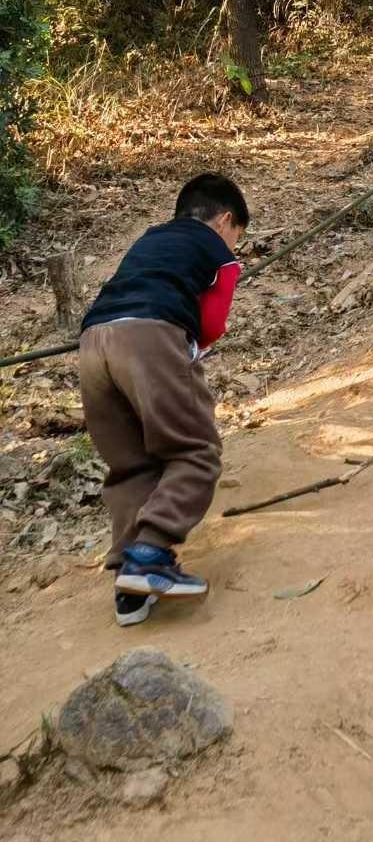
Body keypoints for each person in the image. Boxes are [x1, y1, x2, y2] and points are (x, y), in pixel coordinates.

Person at [78, 173, 248, 626]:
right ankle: (151, 554)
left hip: (94, 344)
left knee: (132, 462)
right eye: (238, 236)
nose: (236, 245)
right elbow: (211, 324)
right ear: (226, 220)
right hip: (150, 337)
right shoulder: (217, 251)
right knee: (195, 451)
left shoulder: (150, 240)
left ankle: (130, 588)